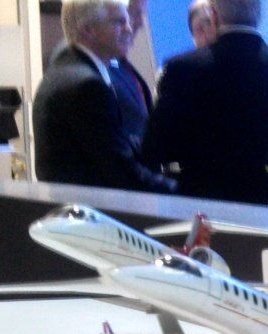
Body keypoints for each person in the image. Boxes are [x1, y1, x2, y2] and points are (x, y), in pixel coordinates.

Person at [141, 0, 268, 207]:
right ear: (259, 13)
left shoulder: (181, 71)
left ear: (213, 15)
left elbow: (154, 149)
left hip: (207, 212)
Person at [32, 0, 176, 191]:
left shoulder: (67, 69)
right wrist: (184, 191)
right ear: (89, 30)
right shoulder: (87, 86)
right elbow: (120, 171)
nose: (129, 29)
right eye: (119, 22)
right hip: (95, 206)